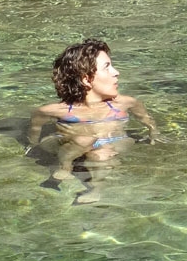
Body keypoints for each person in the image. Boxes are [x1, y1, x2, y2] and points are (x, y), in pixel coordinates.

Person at [26, 39, 157, 183]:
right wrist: (32, 146)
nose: (116, 72)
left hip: (113, 142)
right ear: (86, 80)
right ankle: (65, 165)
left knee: (101, 154)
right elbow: (35, 130)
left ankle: (96, 189)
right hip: (71, 146)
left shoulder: (126, 103)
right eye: (107, 67)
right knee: (83, 139)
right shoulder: (54, 111)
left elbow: (147, 121)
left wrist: (153, 135)